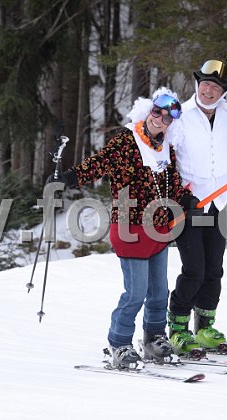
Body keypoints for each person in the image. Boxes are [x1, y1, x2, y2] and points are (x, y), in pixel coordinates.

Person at [52, 87, 201, 369]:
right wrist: (69, 177)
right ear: (148, 110)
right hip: (130, 228)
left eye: (166, 118)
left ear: (170, 124)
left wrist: (187, 200)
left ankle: (154, 338)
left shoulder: (166, 148)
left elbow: (173, 184)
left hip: (159, 229)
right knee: (135, 293)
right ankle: (119, 343)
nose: (159, 119)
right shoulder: (126, 140)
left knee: (159, 292)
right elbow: (99, 163)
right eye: (157, 112)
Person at [168, 59, 227, 355]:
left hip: (218, 203)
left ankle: (205, 328)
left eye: (216, 87)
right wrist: (178, 195)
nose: (209, 91)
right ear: (198, 84)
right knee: (193, 270)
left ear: (223, 91)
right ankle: (178, 329)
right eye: (205, 84)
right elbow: (165, 157)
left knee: (214, 270)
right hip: (190, 205)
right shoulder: (180, 116)